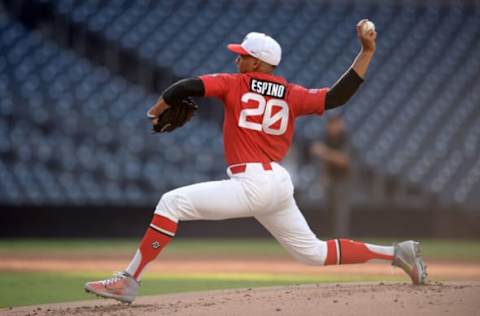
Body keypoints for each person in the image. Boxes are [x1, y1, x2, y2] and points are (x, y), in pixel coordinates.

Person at [85, 20, 427, 304]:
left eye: (243, 56)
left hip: (252, 182)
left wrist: (155, 111)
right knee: (313, 254)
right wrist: (366, 52)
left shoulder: (234, 84)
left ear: (257, 63)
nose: (237, 61)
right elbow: (337, 96)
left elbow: (183, 87)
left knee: (171, 202)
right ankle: (399, 254)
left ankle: (129, 280)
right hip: (278, 182)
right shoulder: (291, 93)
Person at [311, 115, 352, 237]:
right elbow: (326, 162)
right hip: (331, 180)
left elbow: (344, 160)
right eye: (331, 124)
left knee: (340, 215)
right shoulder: (327, 139)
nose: (332, 127)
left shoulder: (345, 138)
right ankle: (332, 242)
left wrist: (324, 152)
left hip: (343, 181)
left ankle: (341, 242)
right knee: (330, 214)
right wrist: (324, 176)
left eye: (335, 124)